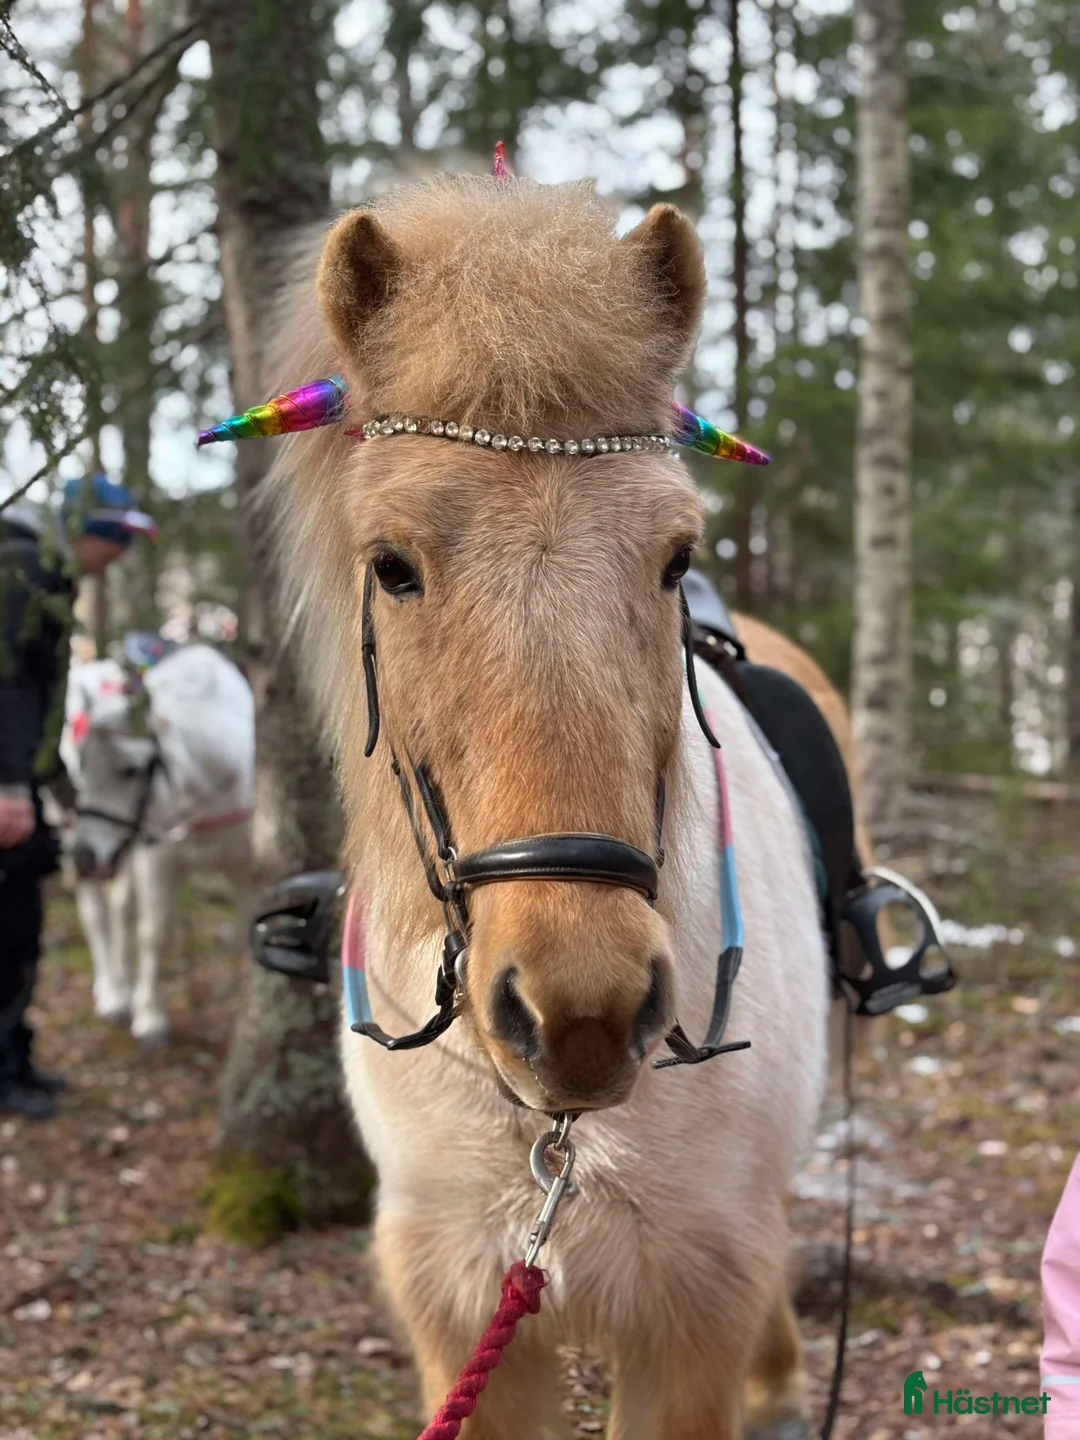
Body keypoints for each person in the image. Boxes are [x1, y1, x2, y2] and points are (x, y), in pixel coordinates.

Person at [0, 474, 157, 1119]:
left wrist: (58, 785)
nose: (120, 555)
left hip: (20, 782)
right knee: (7, 932)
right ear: (88, 531)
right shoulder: (20, 570)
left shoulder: (49, 575)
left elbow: (43, 697)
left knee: (20, 933)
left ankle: (16, 1062)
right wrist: (10, 786)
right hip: (3, 790)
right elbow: (5, 682)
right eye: (117, 539)